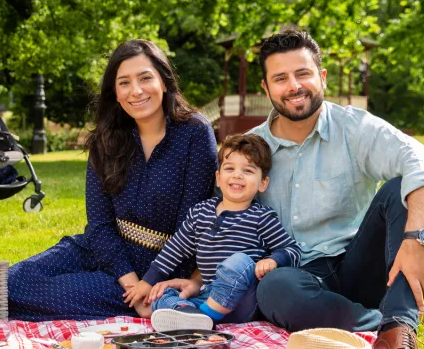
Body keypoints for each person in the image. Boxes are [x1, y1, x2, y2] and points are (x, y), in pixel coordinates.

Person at [250, 28, 424, 349]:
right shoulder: (249, 149)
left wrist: (421, 241)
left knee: (401, 188)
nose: (294, 86)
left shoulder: (355, 127)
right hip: (296, 275)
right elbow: (220, 217)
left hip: (361, 266)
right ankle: (394, 317)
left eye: (303, 73)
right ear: (265, 88)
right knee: (274, 290)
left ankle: (398, 332)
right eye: (280, 78)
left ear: (322, 77)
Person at [7, 39, 219, 321]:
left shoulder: (194, 133)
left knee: (52, 294)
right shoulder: (105, 139)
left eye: (145, 78)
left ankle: (154, 300)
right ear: (115, 93)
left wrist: (147, 283)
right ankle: (140, 303)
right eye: (125, 83)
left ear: (165, 82)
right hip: (104, 250)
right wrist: (132, 285)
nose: (136, 91)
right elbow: (99, 224)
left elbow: (191, 226)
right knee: (8, 282)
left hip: (163, 266)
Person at [127, 134, 301, 332]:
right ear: (218, 178)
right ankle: (188, 314)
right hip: (207, 294)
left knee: (239, 262)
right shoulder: (200, 213)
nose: (237, 175)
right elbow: (174, 250)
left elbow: (292, 249)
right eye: (229, 168)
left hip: (243, 300)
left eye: (248, 170)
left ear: (263, 183)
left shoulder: (261, 217)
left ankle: (205, 318)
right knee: (162, 293)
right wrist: (148, 282)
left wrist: (274, 260)